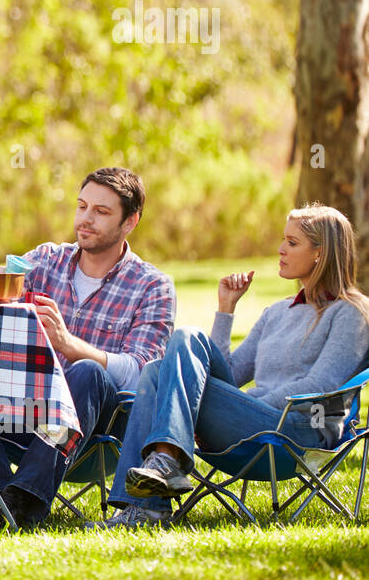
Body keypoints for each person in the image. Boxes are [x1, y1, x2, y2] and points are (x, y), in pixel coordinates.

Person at [105, 204, 369, 527]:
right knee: (156, 370)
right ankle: (153, 491)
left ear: (320, 253)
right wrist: (226, 310)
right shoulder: (277, 312)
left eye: (292, 242)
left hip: (297, 431)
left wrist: (249, 402)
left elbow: (322, 385)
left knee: (170, 359)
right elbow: (229, 375)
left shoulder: (351, 313)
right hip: (251, 423)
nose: (280, 249)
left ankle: (158, 479)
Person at [0, 167, 176, 530]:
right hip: (23, 410)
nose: (85, 219)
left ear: (130, 222)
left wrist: (69, 345)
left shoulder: (152, 286)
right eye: (82, 206)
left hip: (96, 426)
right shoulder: (44, 261)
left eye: (101, 212)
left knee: (88, 371)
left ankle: (22, 501)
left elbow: (141, 370)